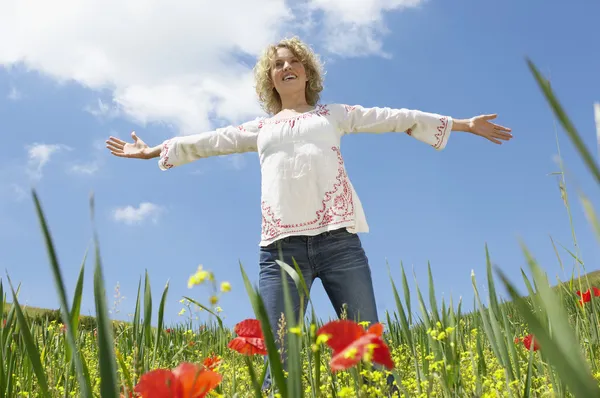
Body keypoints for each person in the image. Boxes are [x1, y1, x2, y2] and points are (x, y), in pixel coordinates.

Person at [106, 37, 512, 394]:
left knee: (367, 348)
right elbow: (209, 141)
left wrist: (461, 124)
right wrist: (151, 150)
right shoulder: (259, 128)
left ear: (307, 71)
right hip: (280, 251)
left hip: (340, 243)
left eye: (292, 61)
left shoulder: (332, 114)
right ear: (270, 79)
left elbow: (395, 117)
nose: (285, 67)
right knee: (278, 360)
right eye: (277, 64)